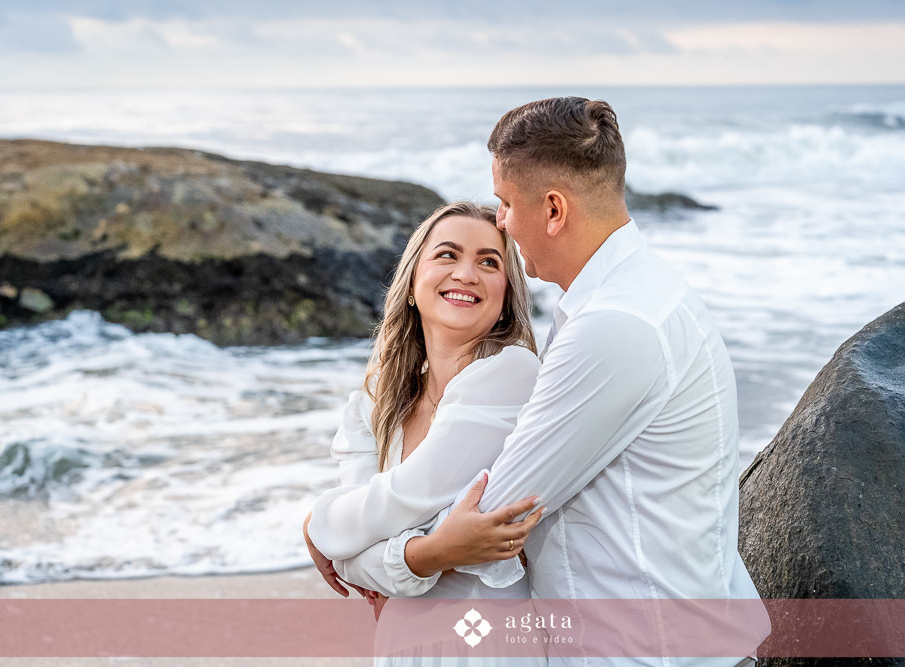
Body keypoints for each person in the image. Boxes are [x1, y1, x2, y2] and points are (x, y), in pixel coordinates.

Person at [333, 98, 771, 666]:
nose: (503, 223)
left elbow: (493, 521)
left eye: (507, 203)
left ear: (555, 209)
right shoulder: (618, 303)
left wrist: (345, 549)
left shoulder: (615, 325)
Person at [303, 201, 547, 665]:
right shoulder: (373, 403)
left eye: (489, 262)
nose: (467, 273)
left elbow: (401, 500)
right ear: (413, 283)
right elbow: (353, 558)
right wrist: (434, 551)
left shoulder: (511, 375)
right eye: (447, 255)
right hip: (399, 646)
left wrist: (322, 523)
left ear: (505, 297)